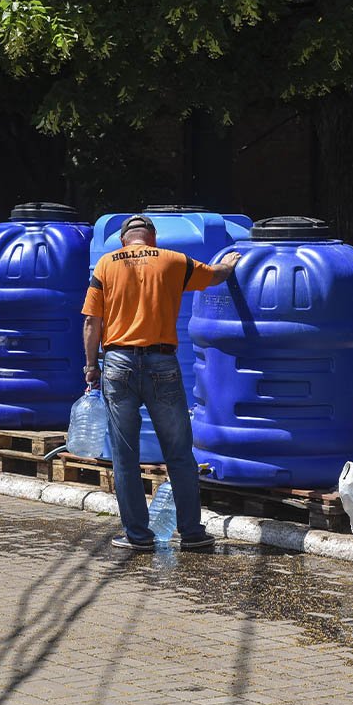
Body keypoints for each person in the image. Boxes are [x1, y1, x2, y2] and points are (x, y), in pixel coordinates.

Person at [81, 214, 241, 551]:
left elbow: (91, 322)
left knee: (125, 456)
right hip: (162, 364)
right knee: (179, 452)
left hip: (118, 364)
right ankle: (192, 533)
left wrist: (90, 367)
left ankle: (138, 535)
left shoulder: (106, 265)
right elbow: (214, 276)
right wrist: (228, 263)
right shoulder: (172, 260)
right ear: (151, 238)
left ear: (125, 239)